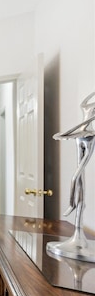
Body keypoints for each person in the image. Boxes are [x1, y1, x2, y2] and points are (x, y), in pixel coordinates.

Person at [53, 92, 95, 220]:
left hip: (89, 136)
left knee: (75, 176)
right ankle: (75, 204)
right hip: (79, 135)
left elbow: (90, 119)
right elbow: (84, 103)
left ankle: (72, 204)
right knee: (78, 177)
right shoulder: (85, 105)